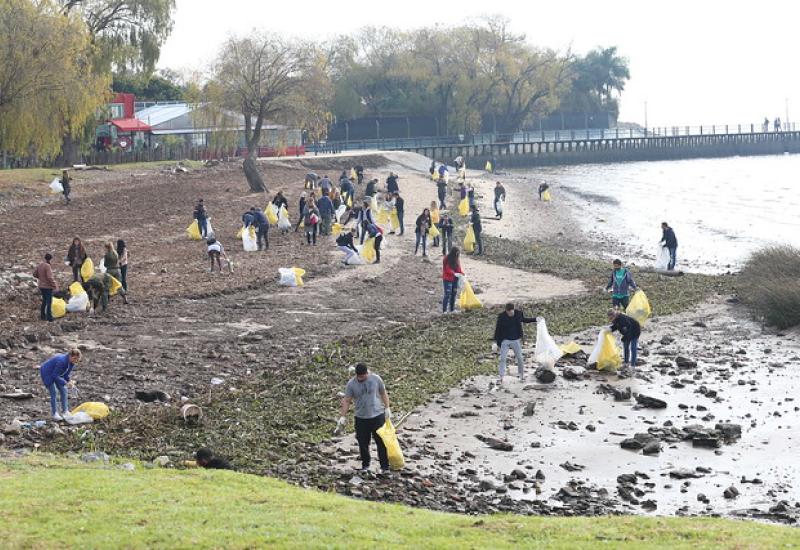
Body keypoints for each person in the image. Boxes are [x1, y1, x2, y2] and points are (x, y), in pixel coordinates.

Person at [336, 363, 391, 474]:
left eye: (363, 376)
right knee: (363, 443)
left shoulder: (376, 379)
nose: (361, 378)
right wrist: (342, 416)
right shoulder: (351, 384)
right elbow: (347, 400)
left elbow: (383, 392)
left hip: (377, 415)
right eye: (359, 377)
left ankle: (384, 467)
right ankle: (365, 465)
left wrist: (387, 408)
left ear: (367, 373)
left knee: (381, 442)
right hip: (361, 417)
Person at [493, 303, 537, 383]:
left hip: (516, 340)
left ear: (514, 309)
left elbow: (525, 320)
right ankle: (501, 377)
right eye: (509, 312)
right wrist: (496, 342)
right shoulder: (501, 316)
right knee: (502, 358)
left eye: (512, 312)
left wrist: (535, 319)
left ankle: (521, 376)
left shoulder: (518, 313)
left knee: (520, 358)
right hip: (505, 340)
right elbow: (498, 329)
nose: (511, 314)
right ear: (506, 311)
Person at [39, 349, 81, 420]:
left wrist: (69, 381)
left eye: (77, 359)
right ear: (70, 356)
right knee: (54, 392)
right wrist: (65, 383)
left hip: (56, 373)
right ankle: (54, 414)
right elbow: (54, 376)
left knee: (64, 391)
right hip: (47, 372)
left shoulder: (71, 363)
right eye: (74, 358)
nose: (76, 361)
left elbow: (65, 374)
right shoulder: (62, 361)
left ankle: (65, 411)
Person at [33, 253, 58, 321]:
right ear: (50, 259)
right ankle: (49, 318)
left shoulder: (40, 265)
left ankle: (42, 316)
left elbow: (34, 274)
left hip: (41, 286)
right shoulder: (47, 266)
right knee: (49, 302)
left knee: (44, 301)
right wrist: (54, 285)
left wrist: (41, 278)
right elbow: (49, 277)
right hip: (47, 287)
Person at [441, 247, 463, 313]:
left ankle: (452, 309)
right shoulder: (447, 259)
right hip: (448, 279)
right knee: (447, 294)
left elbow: (459, 269)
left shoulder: (457, 260)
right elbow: (447, 269)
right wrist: (454, 273)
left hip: (455, 280)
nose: (458, 255)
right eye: (457, 254)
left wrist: (462, 274)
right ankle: (444, 310)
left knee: (454, 294)